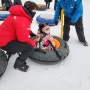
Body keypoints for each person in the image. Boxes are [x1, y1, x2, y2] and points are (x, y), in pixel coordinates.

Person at [0, 1, 38, 72]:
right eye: (34, 10)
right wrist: (32, 43)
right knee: (29, 47)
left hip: (3, 39)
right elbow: (22, 38)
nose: (35, 12)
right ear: (29, 10)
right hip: (4, 43)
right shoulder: (22, 19)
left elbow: (20, 29)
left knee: (23, 41)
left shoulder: (18, 15)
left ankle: (11, 50)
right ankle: (19, 64)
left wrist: (30, 32)